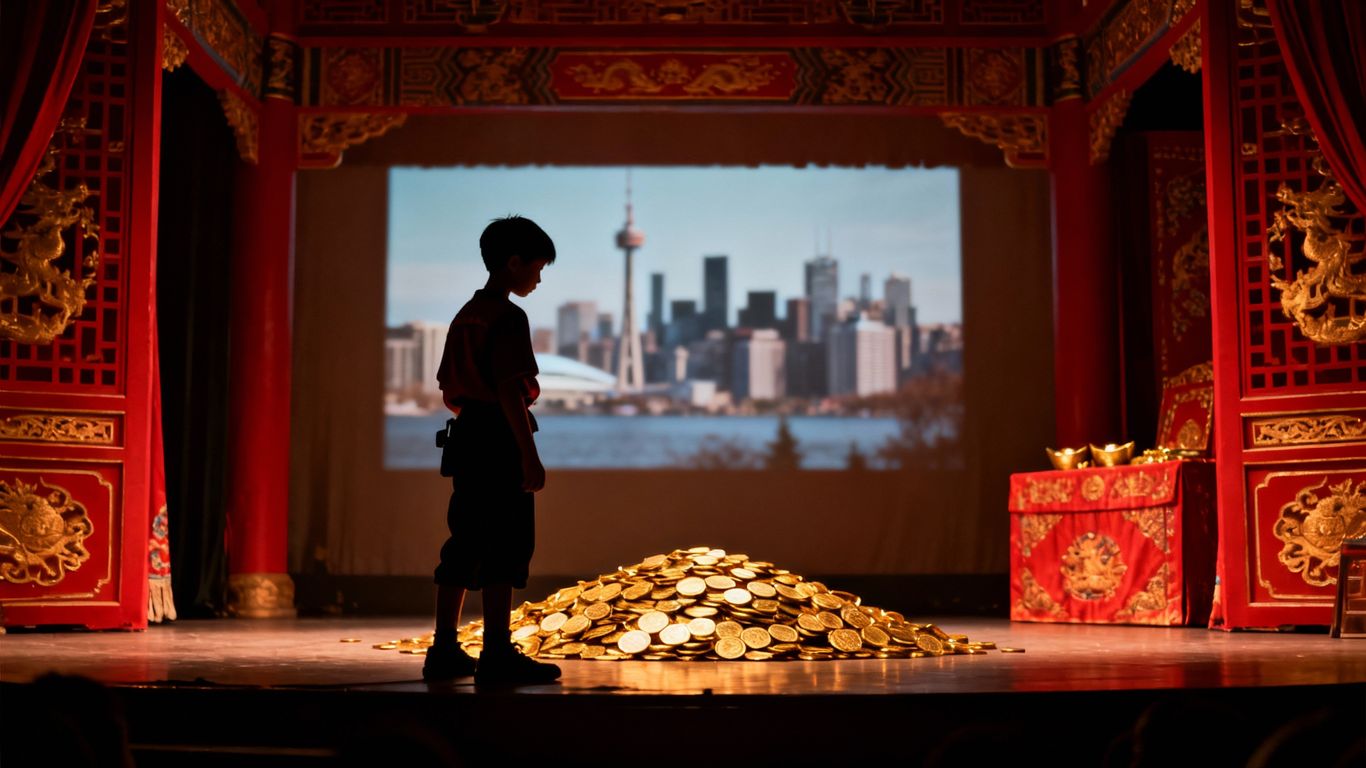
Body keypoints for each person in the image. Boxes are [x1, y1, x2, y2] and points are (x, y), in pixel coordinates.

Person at [422, 215, 561, 686]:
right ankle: (497, 652)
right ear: (514, 262)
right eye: (537, 268)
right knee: (507, 542)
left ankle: (443, 650)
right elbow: (510, 391)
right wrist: (528, 454)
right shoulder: (508, 317)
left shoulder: (467, 314)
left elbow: (449, 386)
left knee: (463, 541)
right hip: (499, 437)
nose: (539, 279)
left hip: (466, 435)